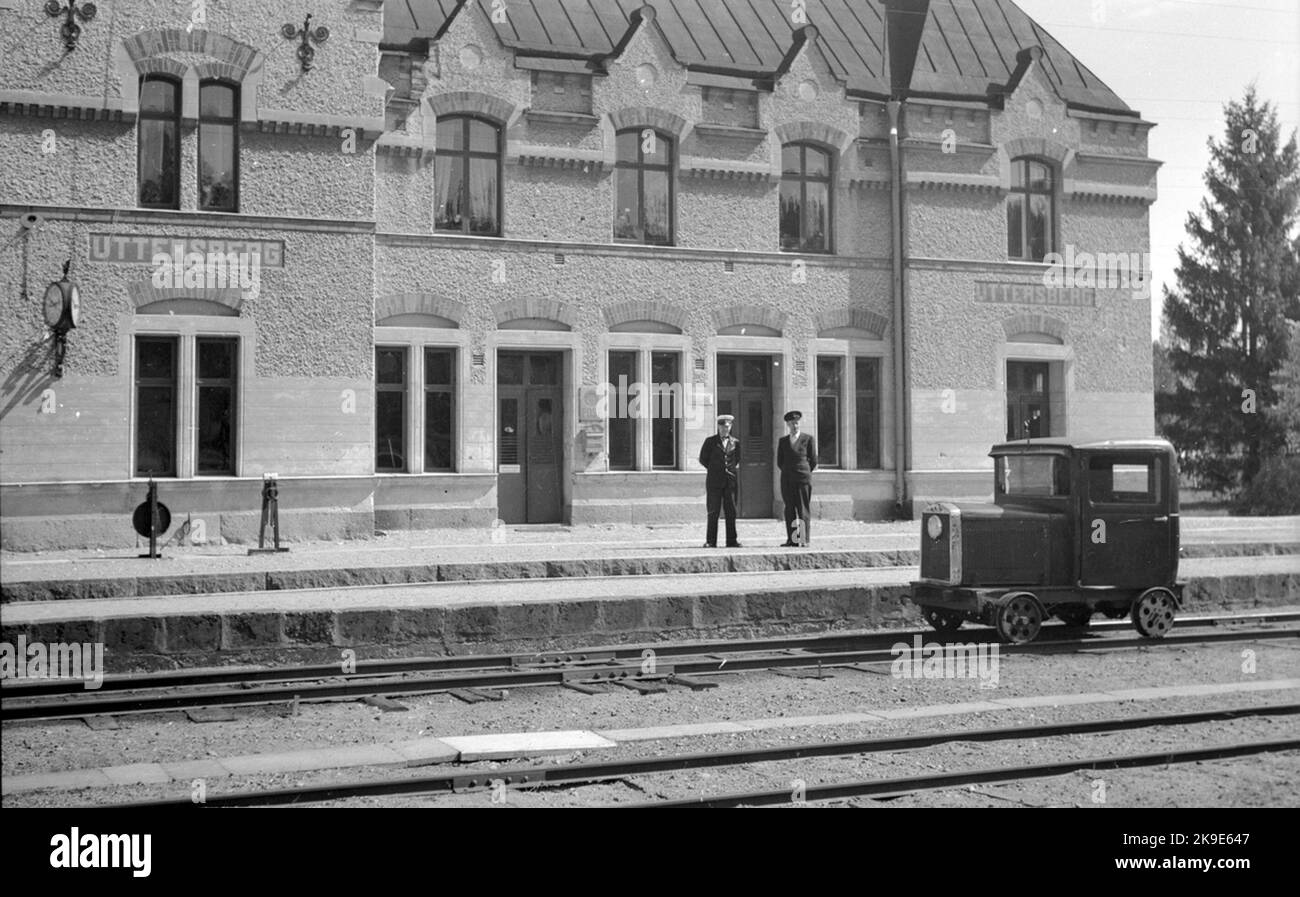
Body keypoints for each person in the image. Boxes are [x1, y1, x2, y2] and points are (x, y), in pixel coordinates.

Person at [698, 414, 741, 548]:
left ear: (730, 427)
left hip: (730, 482)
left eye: (727, 427)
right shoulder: (710, 442)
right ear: (718, 427)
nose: (724, 429)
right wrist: (715, 469)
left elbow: (737, 459)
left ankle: (731, 541)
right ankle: (711, 541)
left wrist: (728, 471)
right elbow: (703, 459)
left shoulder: (735, 442)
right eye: (722, 427)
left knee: (731, 511)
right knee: (713, 511)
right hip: (714, 481)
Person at [776, 410, 817, 546]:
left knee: (802, 509)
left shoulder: (808, 439)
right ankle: (793, 540)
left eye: (797, 423)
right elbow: (780, 462)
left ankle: (804, 539)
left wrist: (803, 471)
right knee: (789, 509)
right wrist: (789, 472)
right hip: (787, 480)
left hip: (802, 479)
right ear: (788, 425)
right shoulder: (783, 441)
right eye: (792, 423)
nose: (795, 426)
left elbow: (813, 460)